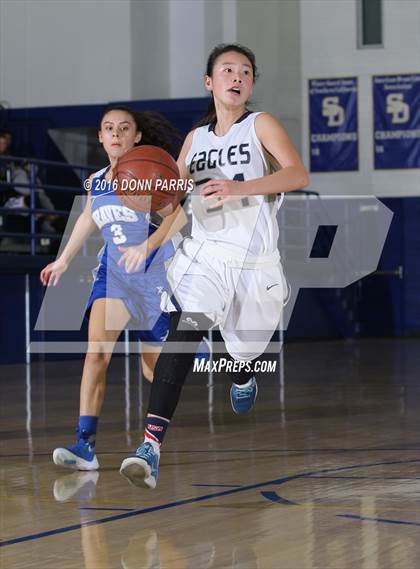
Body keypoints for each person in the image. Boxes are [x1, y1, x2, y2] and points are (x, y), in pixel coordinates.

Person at [119, 43, 309, 489]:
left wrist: (240, 188)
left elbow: (298, 175)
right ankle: (150, 446)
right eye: (227, 70)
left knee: (245, 349)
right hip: (203, 256)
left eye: (245, 71)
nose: (237, 76)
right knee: (184, 332)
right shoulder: (195, 140)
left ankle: (242, 370)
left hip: (254, 262)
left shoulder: (260, 125)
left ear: (251, 84)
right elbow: (173, 201)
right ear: (210, 81)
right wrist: (147, 208)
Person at [41, 106, 193, 471]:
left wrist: (148, 245)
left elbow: (180, 216)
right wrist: (63, 259)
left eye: (124, 128)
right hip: (114, 278)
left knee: (153, 373)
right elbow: (88, 217)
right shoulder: (97, 180)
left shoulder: (153, 171)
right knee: (96, 355)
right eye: (108, 128)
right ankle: (84, 446)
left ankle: (151, 443)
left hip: (154, 279)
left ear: (136, 136)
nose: (115, 134)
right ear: (100, 137)